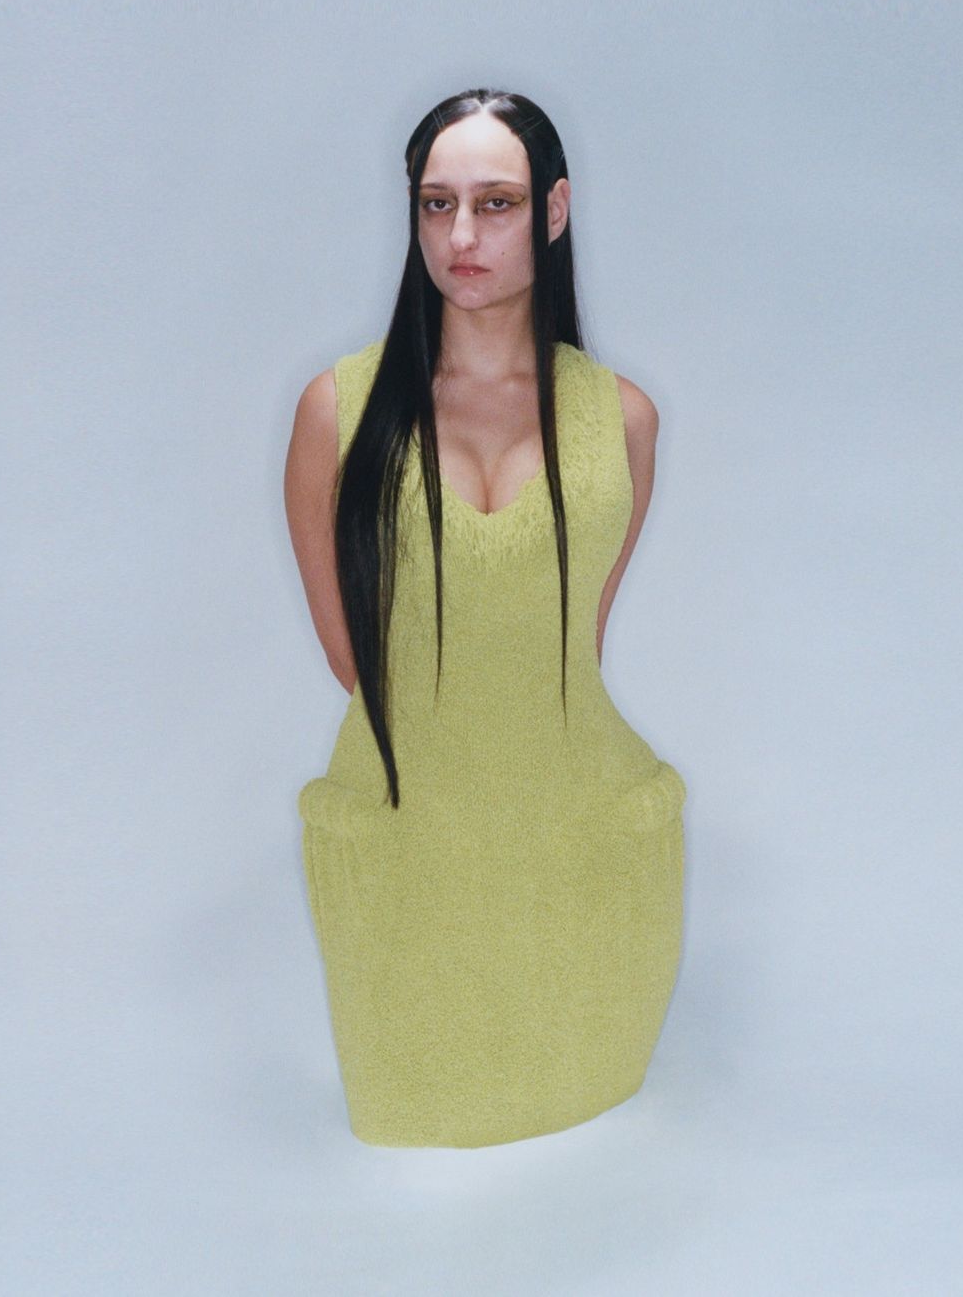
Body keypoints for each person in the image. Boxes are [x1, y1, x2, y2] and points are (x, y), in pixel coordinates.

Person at [283, 87, 688, 1149]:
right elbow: (357, 661)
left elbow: (567, 653)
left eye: (495, 203)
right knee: (408, 1161)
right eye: (437, 204)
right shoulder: (339, 413)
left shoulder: (623, 422)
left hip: (590, 868)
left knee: (597, 1165)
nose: (461, 235)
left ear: (554, 211)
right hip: (408, 866)